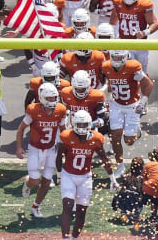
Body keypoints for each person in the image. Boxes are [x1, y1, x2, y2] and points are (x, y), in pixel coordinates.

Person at [56, 110, 119, 240]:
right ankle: (65, 238)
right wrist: (59, 174)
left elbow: (104, 158)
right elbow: (59, 156)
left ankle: (74, 238)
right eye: (79, 124)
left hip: (85, 177)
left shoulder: (96, 138)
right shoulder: (66, 136)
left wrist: (112, 178)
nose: (82, 127)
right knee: (67, 206)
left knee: (82, 211)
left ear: (90, 124)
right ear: (74, 124)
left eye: (85, 125)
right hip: (68, 175)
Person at [16, 83, 67, 218]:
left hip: (51, 149)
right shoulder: (33, 109)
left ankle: (36, 207)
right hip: (35, 149)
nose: (52, 101)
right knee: (34, 180)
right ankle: (27, 184)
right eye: (49, 98)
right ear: (42, 98)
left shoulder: (60, 110)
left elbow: (64, 131)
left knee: (47, 181)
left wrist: (66, 148)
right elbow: (21, 129)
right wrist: (19, 148)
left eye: (54, 97)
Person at [142, 149, 158, 225]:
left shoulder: (149, 165)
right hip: (157, 189)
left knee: (154, 200)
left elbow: (144, 176)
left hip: (147, 188)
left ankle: (153, 216)